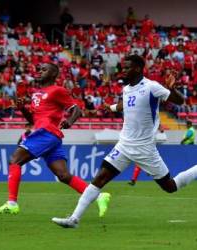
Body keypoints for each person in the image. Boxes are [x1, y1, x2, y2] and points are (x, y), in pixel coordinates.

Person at [51, 55, 197, 228]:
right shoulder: (127, 89)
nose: (124, 70)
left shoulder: (152, 87)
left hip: (145, 148)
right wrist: (109, 108)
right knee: (99, 179)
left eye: (127, 67)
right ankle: (74, 219)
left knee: (170, 186)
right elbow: (124, 105)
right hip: (124, 145)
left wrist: (172, 89)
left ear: (137, 68)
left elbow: (179, 101)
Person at [0, 63, 111, 216]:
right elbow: (33, 119)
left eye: (44, 69)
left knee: (15, 160)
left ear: (53, 75)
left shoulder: (58, 90)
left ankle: (12, 203)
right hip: (47, 135)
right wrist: (22, 108)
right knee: (63, 175)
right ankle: (99, 196)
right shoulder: (36, 94)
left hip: (46, 133)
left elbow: (76, 109)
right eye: (39, 69)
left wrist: (70, 121)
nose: (40, 71)